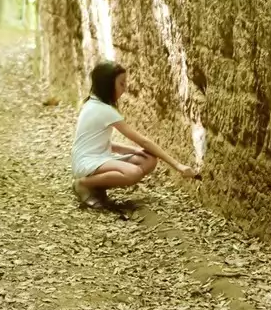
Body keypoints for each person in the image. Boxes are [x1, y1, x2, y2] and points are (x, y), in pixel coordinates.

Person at [71, 60, 197, 205]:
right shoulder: (104, 110)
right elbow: (143, 141)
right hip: (86, 163)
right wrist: (178, 166)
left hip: (95, 158)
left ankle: (96, 186)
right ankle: (83, 184)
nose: (124, 88)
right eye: (121, 84)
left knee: (148, 159)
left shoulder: (93, 104)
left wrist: (133, 151)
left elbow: (101, 143)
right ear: (108, 85)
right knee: (133, 173)